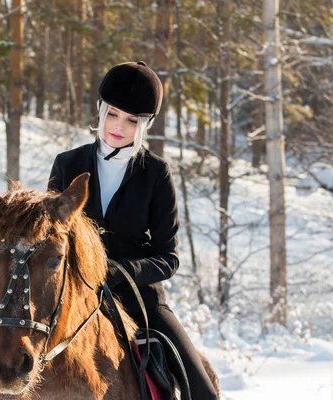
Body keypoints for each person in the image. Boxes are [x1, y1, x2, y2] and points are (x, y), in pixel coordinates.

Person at [48, 61, 218, 400]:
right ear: (100, 110)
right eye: (113, 114)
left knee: (202, 390)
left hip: (139, 299)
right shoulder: (67, 164)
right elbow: (51, 234)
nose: (118, 127)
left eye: (131, 120)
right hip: (75, 294)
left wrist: (124, 270)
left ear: (145, 124)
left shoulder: (156, 173)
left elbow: (168, 258)